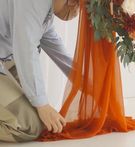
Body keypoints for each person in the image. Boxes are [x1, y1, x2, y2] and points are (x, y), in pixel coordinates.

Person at [0, 0, 79, 142]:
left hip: (5, 58)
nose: (77, 10)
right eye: (78, 3)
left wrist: (85, 81)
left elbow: (54, 44)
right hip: (7, 59)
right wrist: (42, 105)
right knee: (28, 126)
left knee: (42, 120)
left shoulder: (44, 7)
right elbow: (26, 50)